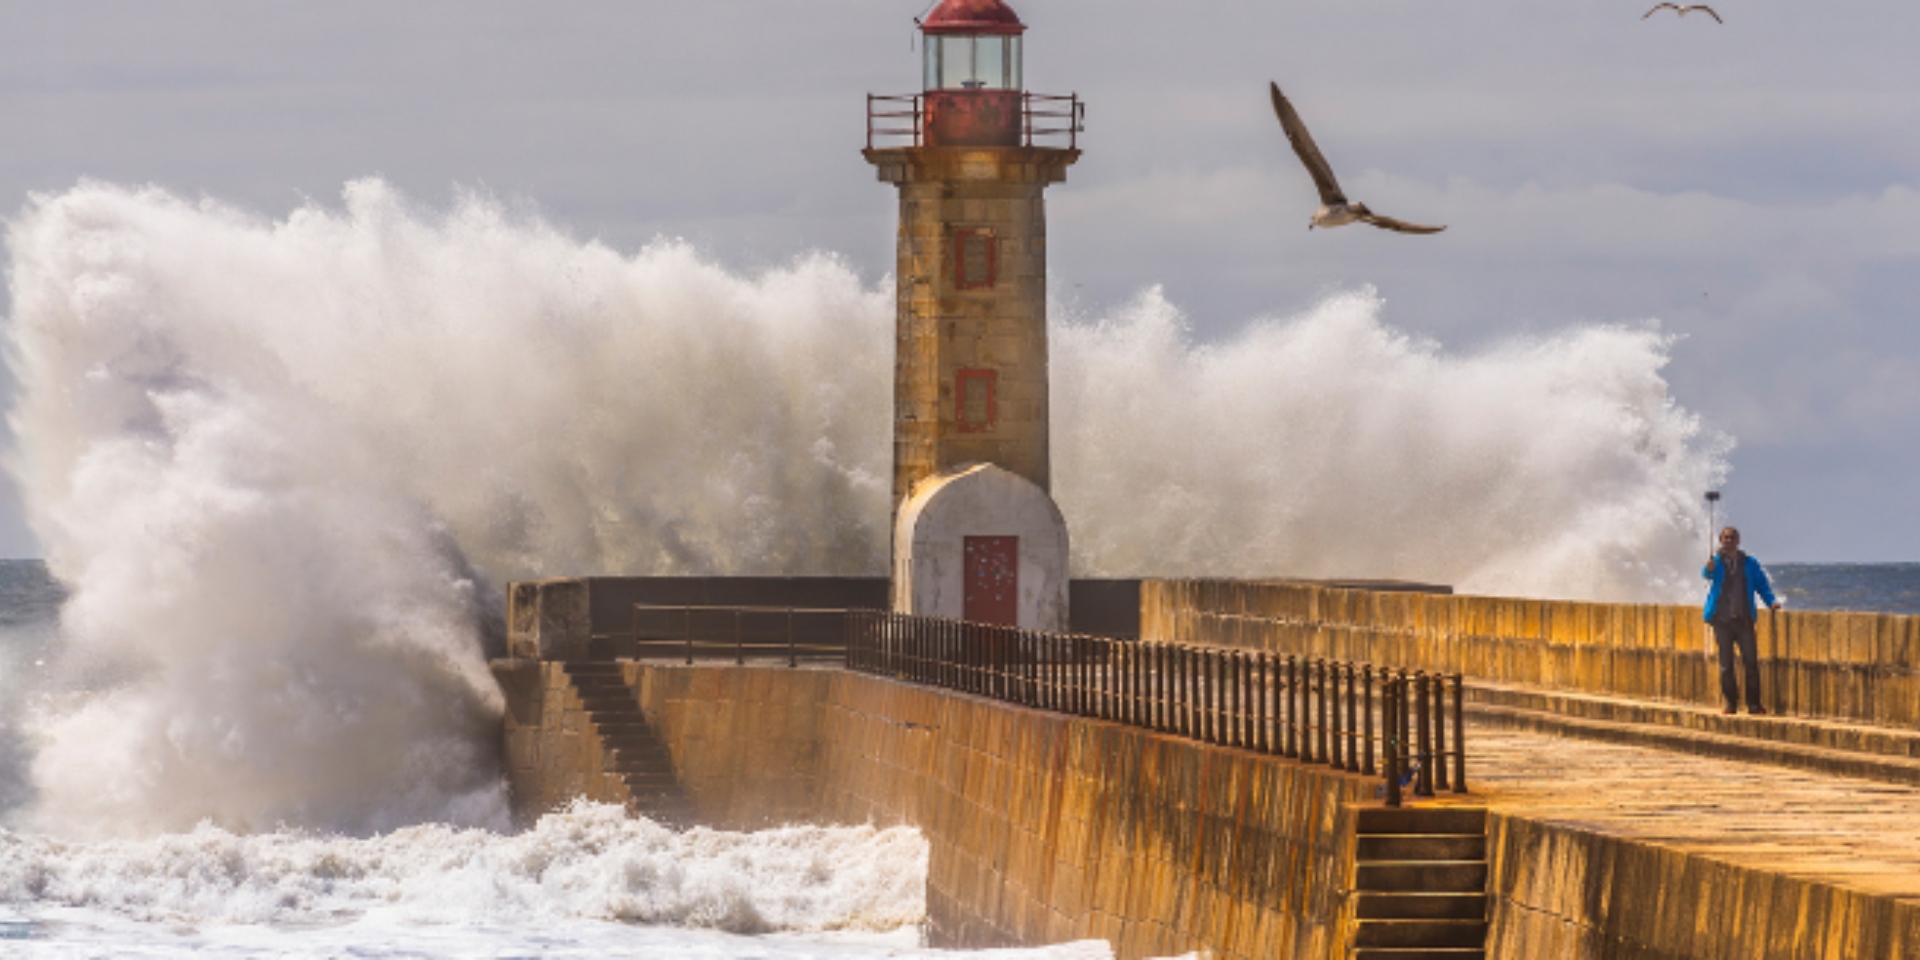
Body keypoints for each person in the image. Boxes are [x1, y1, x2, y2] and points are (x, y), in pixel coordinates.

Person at [1701, 526, 1780, 715]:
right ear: (1721, 540)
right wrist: (1708, 568)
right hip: (1721, 620)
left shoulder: (1749, 562)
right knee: (1726, 665)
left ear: (1738, 540)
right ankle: (1731, 704)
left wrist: (1771, 602)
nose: (1728, 540)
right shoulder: (1716, 561)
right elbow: (1707, 574)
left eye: (1732, 537)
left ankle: (1754, 704)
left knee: (1751, 663)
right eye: (1725, 538)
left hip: (1744, 621)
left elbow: (1761, 584)